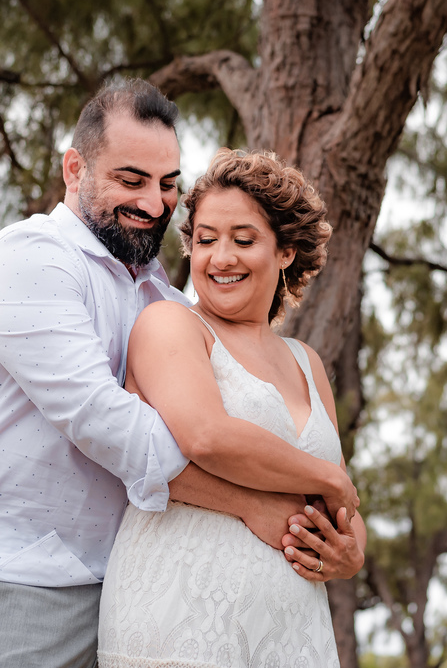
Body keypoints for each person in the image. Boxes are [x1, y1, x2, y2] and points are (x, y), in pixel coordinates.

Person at [0, 80, 360, 668]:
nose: (154, 203)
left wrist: (343, 545)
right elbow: (105, 421)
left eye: (167, 184)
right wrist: (251, 503)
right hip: (15, 584)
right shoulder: (31, 258)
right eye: (131, 179)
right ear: (75, 170)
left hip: (124, 585)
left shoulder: (160, 296)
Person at [98, 149, 368, 668]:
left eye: (243, 240)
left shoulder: (307, 362)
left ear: (285, 251)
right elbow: (206, 435)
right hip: (182, 618)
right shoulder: (170, 324)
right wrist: (327, 478)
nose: (221, 258)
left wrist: (350, 553)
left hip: (292, 635)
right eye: (206, 240)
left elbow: (344, 510)